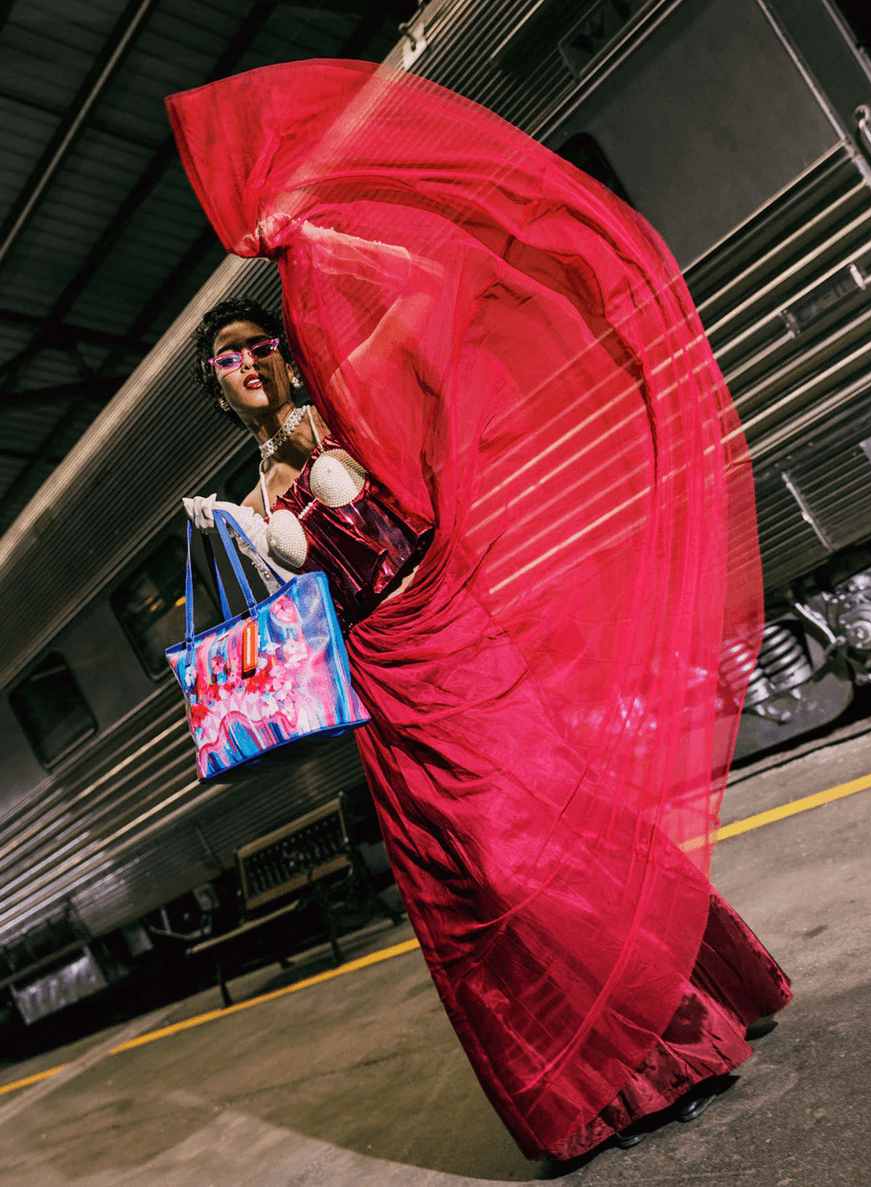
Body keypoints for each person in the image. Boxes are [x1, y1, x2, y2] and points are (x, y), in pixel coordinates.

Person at [170, 59, 791, 1162]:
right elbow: (308, 598)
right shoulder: (249, 490)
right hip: (385, 692)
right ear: (213, 384)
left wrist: (309, 241)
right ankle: (599, 1088)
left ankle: (675, 1035)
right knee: (477, 882)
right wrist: (242, 534)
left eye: (261, 344)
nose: (251, 363)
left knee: (546, 850)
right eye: (229, 358)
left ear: (287, 348)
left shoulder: (345, 405)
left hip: (453, 647)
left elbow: (415, 301)